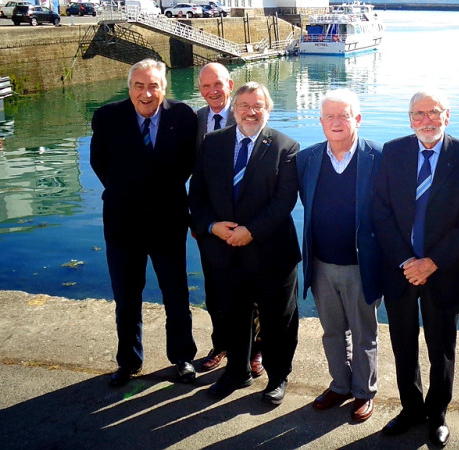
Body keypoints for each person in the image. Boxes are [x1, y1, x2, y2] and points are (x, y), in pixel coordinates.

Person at [372, 89, 459, 447]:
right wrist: (407, 261)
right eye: (418, 113)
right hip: (400, 270)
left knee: (442, 347)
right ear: (409, 119)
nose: (426, 120)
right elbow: (381, 211)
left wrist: (431, 262)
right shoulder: (393, 151)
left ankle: (437, 414)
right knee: (403, 344)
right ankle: (411, 408)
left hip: (445, 270)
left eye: (433, 112)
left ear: (446, 115)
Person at [189, 82, 301, 405]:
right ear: (234, 109)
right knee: (233, 315)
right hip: (225, 251)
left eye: (258, 106)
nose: (251, 112)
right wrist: (212, 226)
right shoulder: (212, 143)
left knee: (276, 320)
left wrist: (250, 231)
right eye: (244, 106)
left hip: (271, 253)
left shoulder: (285, 147)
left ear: (268, 109)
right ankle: (237, 372)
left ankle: (277, 377)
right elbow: (197, 194)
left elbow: (284, 202)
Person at [90, 58, 198, 388]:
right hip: (123, 225)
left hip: (168, 223)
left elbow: (188, 163)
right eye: (139, 85)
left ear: (164, 87)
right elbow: (99, 164)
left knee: (176, 295)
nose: (146, 93)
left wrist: (159, 193)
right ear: (129, 87)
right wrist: (129, 192)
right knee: (126, 299)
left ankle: (182, 358)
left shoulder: (183, 116)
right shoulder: (107, 117)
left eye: (153, 85)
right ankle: (129, 361)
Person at [297, 89, 383, 423]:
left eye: (343, 115)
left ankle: (364, 391)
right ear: (320, 122)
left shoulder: (379, 156)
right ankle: (340, 384)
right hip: (320, 264)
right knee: (332, 331)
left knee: (364, 334)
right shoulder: (307, 159)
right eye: (329, 116)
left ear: (357, 119)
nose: (336, 122)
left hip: (361, 265)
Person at [194, 62, 263, 378]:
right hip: (211, 226)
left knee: (253, 292)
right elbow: (190, 175)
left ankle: (254, 350)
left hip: (247, 227)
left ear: (230, 84)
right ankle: (221, 344)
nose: (212, 91)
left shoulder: (247, 117)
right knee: (215, 291)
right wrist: (200, 222)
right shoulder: (197, 120)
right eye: (206, 86)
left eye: (218, 84)